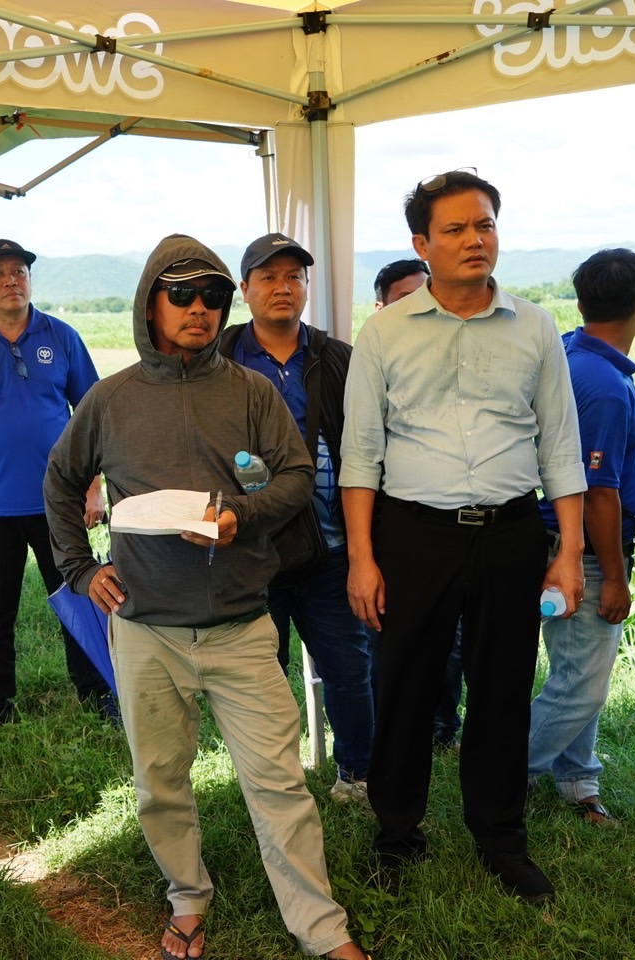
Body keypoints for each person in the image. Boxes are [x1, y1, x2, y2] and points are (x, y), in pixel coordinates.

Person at [45, 234, 370, 960]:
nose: (200, 308)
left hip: (241, 624)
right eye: (182, 294)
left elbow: (294, 476)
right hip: (146, 628)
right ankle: (187, 897)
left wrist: (240, 517)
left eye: (214, 296)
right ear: (151, 304)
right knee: (160, 780)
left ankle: (321, 929)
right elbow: (62, 479)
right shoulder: (111, 399)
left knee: (279, 783)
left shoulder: (252, 392)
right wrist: (80, 569)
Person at [341, 170, 585, 904]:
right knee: (405, 686)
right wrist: (362, 559)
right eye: (455, 229)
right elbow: (361, 453)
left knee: (503, 688)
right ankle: (397, 833)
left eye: (485, 225)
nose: (475, 240)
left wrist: (570, 554)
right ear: (422, 244)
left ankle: (501, 837)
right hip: (413, 534)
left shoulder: (535, 327)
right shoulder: (384, 332)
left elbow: (561, 446)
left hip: (510, 532)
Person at [218, 232, 375, 806]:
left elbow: (364, 447)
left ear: (307, 286)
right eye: (268, 277)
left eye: (294, 277)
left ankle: (358, 773)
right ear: (245, 289)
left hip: (329, 548)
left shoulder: (336, 358)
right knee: (258, 674)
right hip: (248, 550)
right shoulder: (218, 357)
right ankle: (271, 779)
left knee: (348, 668)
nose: (282, 287)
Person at [0, 239, 111, 727]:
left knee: (78, 600)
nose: (11, 280)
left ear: (30, 280)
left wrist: (93, 487)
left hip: (60, 503)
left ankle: (97, 693)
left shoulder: (62, 336)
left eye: (19, 271)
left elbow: (91, 417)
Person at [526, 248, 635, 826]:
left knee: (579, 669)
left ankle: (578, 779)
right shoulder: (601, 382)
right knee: (582, 685)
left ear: (580, 305)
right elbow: (597, 492)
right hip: (585, 551)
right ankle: (502, 772)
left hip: (563, 546)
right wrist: (615, 577)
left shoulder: (572, 356)